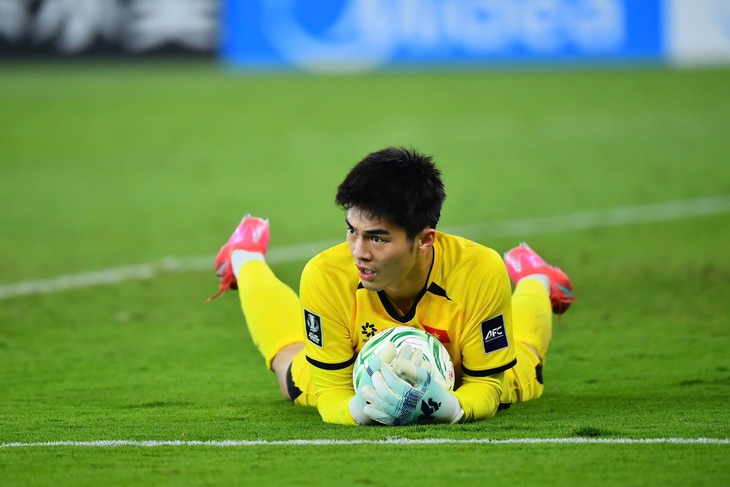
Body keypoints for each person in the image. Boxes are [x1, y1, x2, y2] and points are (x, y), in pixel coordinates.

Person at [208, 146, 574, 425]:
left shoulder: (478, 271)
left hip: (462, 377)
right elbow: (332, 393)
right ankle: (244, 256)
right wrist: (358, 409)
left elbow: (487, 386)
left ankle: (535, 277)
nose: (358, 252)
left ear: (425, 239)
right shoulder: (326, 274)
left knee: (528, 365)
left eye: (377, 238)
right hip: (357, 379)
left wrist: (451, 408)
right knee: (290, 370)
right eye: (352, 231)